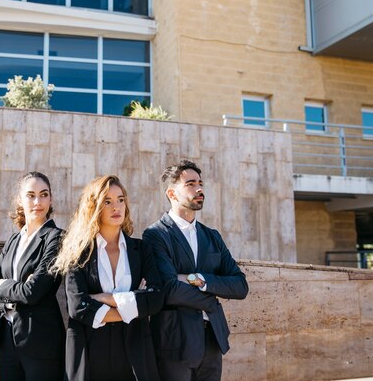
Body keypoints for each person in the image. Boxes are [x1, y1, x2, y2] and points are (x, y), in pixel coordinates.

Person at [142, 160, 249, 381]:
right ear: (172, 193)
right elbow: (169, 288)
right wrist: (211, 300)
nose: (199, 189)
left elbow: (240, 286)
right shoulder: (155, 235)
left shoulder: (212, 236)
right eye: (190, 184)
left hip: (212, 340)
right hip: (174, 342)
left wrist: (198, 279)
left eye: (200, 183)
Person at [50, 175, 163, 381]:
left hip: (134, 352)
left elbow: (155, 299)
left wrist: (103, 298)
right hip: (91, 351)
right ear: (93, 207)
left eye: (120, 199)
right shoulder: (78, 252)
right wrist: (133, 306)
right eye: (107, 201)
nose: (116, 207)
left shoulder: (141, 249)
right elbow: (78, 307)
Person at [0, 171, 65, 381]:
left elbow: (32, 292)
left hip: (41, 341)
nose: (38, 201)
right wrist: (10, 292)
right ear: (20, 200)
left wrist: (2, 286)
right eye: (31, 195)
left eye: (44, 194)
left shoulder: (56, 238)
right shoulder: (13, 241)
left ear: (51, 198)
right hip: (7, 338)